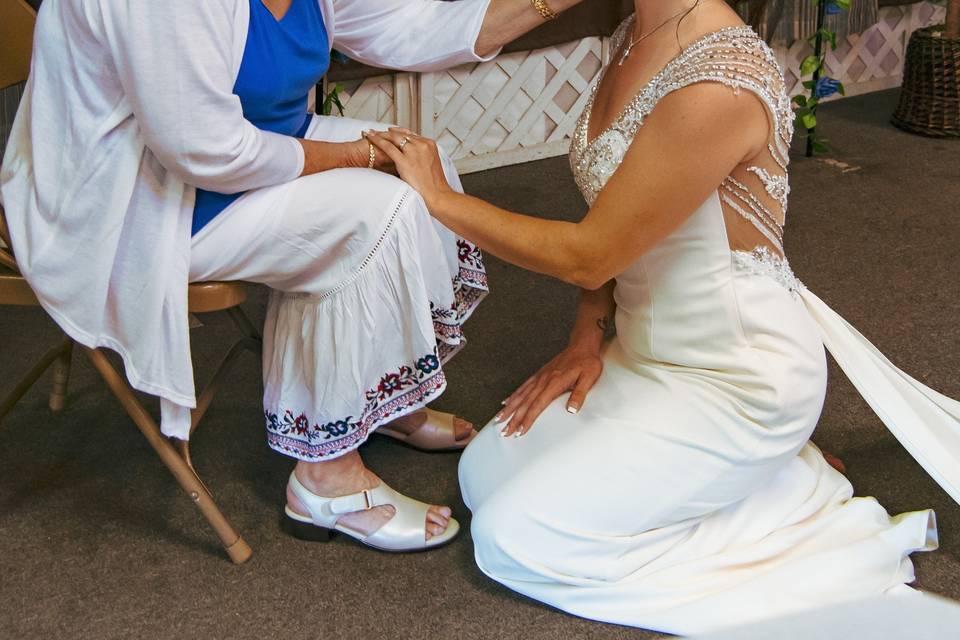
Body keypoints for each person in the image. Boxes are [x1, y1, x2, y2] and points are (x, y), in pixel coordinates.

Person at [366, 0, 960, 631]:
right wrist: (585, 341)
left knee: (514, 540)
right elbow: (615, 215)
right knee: (483, 473)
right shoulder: (638, 26)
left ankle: (776, 492)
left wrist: (440, 199)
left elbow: (589, 255)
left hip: (738, 376)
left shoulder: (719, 80)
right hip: (645, 352)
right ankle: (755, 478)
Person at [0, 0, 590, 552]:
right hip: (135, 200)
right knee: (375, 213)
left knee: (423, 166)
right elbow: (204, 151)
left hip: (249, 146)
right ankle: (324, 482)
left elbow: (408, 25)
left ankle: (380, 402)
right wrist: (359, 156)